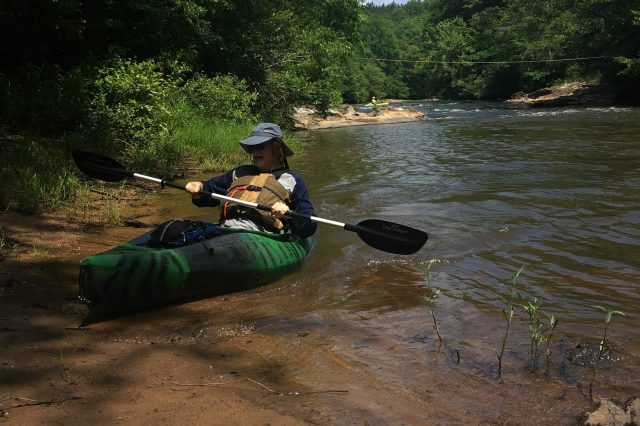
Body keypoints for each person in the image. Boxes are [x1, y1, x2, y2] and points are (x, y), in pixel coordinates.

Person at [185, 123, 317, 238]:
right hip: (226, 230)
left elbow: (308, 226)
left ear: (276, 147)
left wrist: (289, 214)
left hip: (263, 237)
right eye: (253, 147)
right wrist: (199, 187)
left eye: (261, 146)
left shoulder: (292, 180)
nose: (255, 152)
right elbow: (209, 192)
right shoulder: (240, 173)